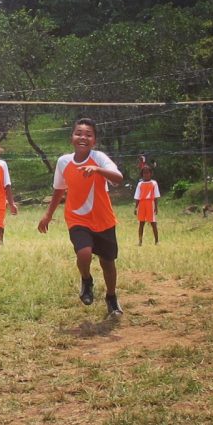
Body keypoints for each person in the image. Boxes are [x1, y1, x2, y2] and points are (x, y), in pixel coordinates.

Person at [38, 118, 125, 316]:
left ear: (94, 140)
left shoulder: (99, 157)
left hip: (103, 219)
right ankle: (86, 280)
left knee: (107, 262)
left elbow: (118, 178)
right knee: (84, 253)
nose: (83, 137)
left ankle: (111, 297)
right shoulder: (63, 162)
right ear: (72, 138)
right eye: (79, 133)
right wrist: (48, 215)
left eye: (88, 134)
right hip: (77, 218)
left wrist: (98, 170)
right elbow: (58, 190)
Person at [134, 164, 160, 246]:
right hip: (142, 204)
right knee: (141, 223)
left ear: (151, 173)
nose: (146, 174)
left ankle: (156, 241)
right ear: (142, 174)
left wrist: (156, 207)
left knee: (153, 223)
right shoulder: (140, 184)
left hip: (150, 203)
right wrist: (135, 207)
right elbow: (137, 197)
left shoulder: (154, 183)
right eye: (144, 173)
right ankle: (140, 241)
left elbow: (156, 196)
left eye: (148, 173)